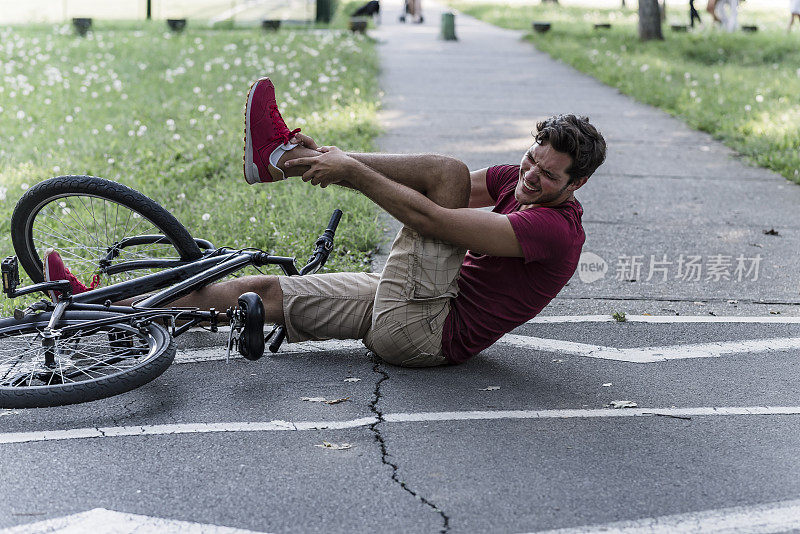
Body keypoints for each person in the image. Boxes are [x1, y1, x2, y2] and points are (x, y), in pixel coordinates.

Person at [48, 77, 607, 367]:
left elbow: (434, 215)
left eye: (548, 175)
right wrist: (337, 157)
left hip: (428, 332)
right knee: (264, 291)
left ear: (575, 185)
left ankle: (282, 163)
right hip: (420, 302)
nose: (531, 176)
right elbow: (439, 191)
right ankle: (96, 309)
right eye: (532, 159)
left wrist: (351, 175)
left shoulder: (553, 232)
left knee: (447, 169)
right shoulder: (520, 177)